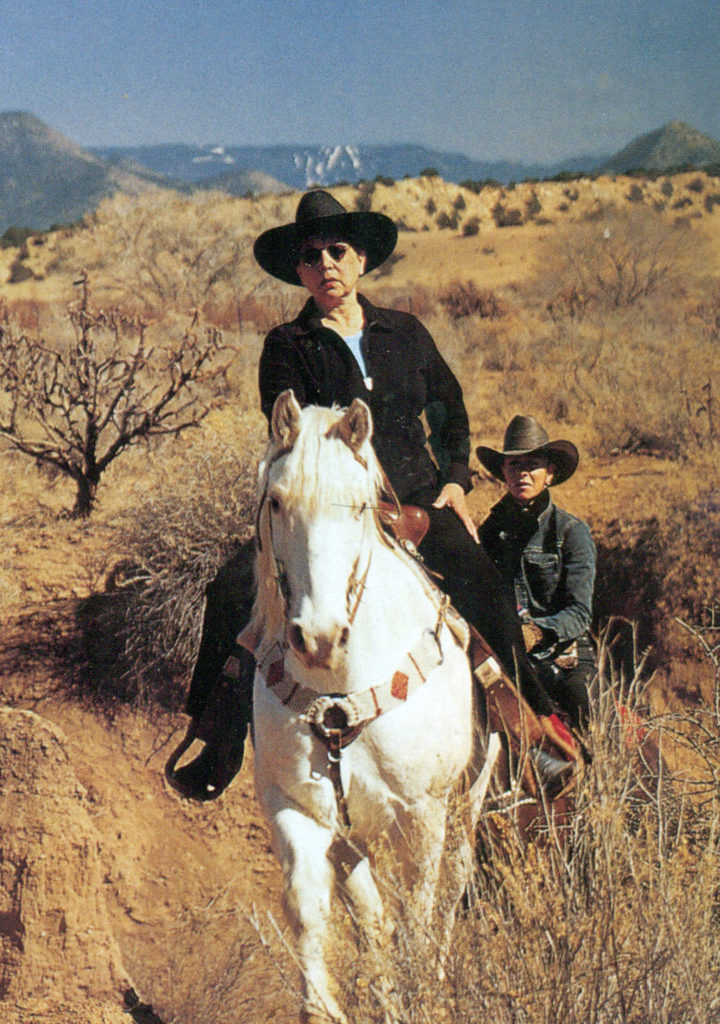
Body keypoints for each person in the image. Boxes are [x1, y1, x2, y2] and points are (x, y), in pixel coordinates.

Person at [167, 190, 570, 801]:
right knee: (228, 591)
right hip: (333, 511)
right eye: (312, 256)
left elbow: (451, 409)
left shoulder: (406, 333)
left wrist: (456, 479)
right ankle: (216, 736)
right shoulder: (287, 346)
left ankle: (531, 731)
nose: (326, 264)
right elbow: (296, 437)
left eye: (338, 250)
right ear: (299, 271)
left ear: (359, 261)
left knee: (485, 586)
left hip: (421, 506)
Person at [477, 414, 597, 731]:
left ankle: (599, 772)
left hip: (563, 652)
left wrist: (537, 632)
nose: (523, 473)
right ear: (503, 471)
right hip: (510, 654)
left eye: (532, 465)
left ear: (550, 472)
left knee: (583, 706)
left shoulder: (572, 532)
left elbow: (580, 612)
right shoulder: (489, 532)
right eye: (514, 465)